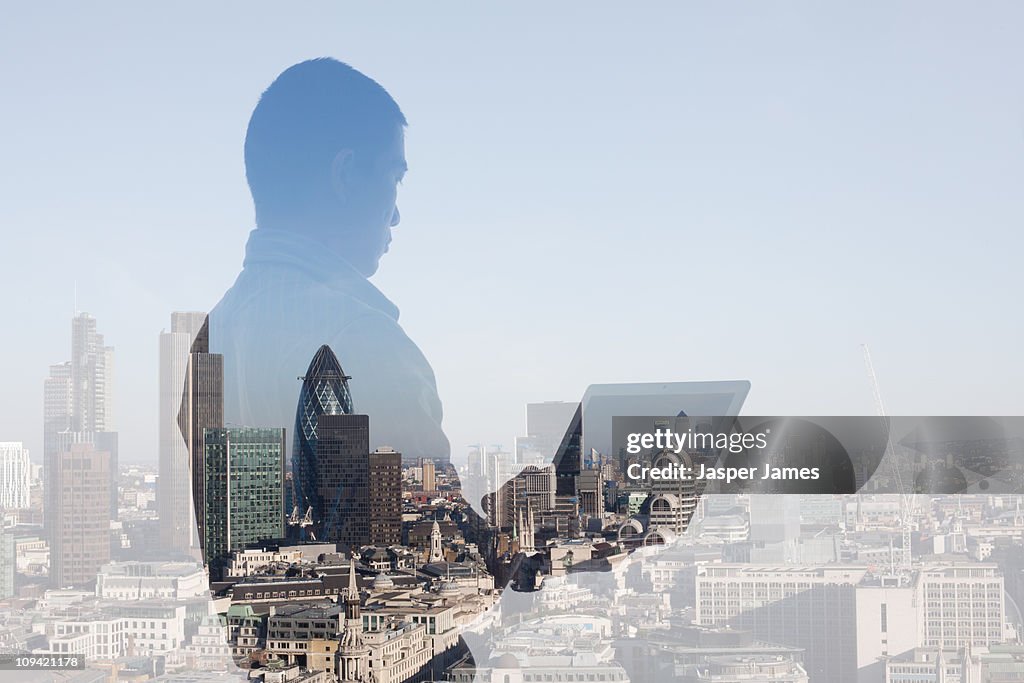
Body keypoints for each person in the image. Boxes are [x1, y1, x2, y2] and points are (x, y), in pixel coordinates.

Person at [208, 58, 449, 461]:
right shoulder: (367, 344)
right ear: (346, 175)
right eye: (395, 177)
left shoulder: (209, 342)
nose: (395, 214)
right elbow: (428, 510)